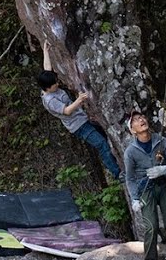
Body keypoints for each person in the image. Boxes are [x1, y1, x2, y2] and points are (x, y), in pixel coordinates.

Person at [36, 44, 122, 180]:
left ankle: (118, 161)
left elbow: (47, 68)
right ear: (47, 88)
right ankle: (117, 173)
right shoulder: (50, 100)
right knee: (101, 144)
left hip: (84, 118)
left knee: (107, 136)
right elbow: (67, 111)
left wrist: (45, 51)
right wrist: (79, 100)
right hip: (78, 126)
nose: (57, 84)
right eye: (54, 85)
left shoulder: (47, 83)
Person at [124, 111, 166, 260]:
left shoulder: (161, 141)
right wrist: (135, 198)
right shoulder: (130, 152)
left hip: (163, 186)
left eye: (142, 117)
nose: (141, 119)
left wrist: (164, 170)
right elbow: (130, 178)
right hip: (145, 190)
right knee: (151, 228)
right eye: (135, 120)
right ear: (133, 130)